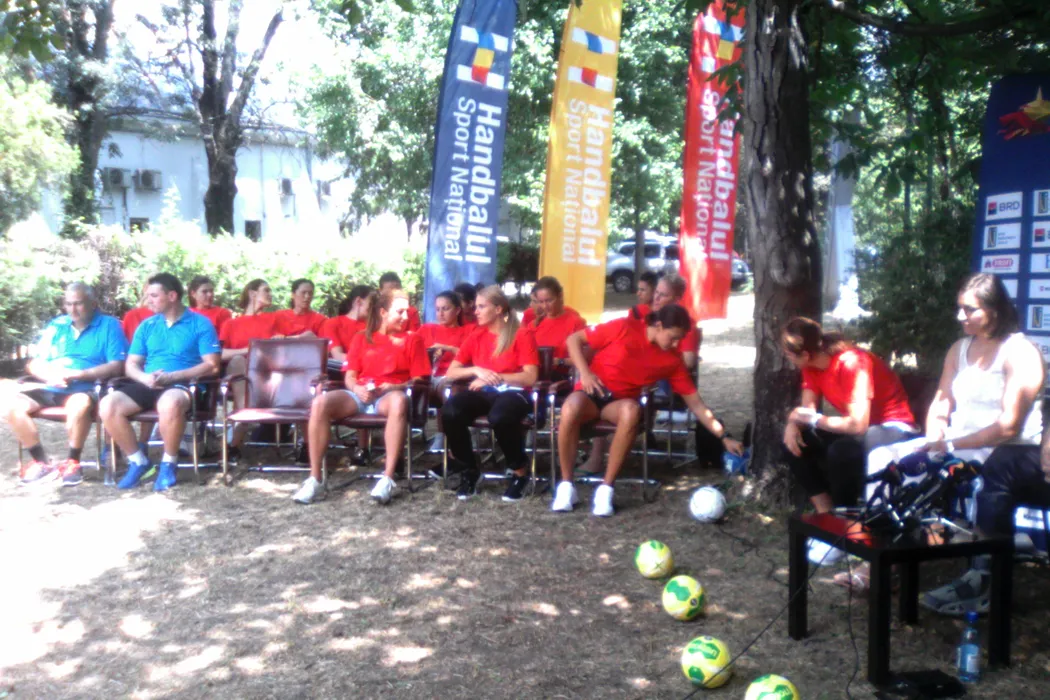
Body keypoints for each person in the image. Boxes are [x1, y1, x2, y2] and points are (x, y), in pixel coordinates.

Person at [869, 273, 1044, 611]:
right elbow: (942, 400)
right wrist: (935, 434)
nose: (960, 316)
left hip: (1002, 451)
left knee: (923, 470)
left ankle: (975, 574)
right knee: (882, 457)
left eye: (970, 309)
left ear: (994, 310)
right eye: (959, 308)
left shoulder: (1020, 352)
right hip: (956, 442)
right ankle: (880, 554)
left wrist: (949, 446)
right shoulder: (959, 348)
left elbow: (1008, 427)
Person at [553, 304, 743, 516]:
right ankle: (566, 486)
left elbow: (697, 405)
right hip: (591, 392)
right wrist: (585, 373)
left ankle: (606, 489)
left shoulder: (672, 361)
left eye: (679, 339)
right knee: (570, 407)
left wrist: (724, 437)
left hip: (618, 403)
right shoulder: (623, 327)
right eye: (673, 337)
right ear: (659, 326)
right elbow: (574, 340)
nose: (676, 344)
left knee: (632, 411)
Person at [779, 316, 920, 568]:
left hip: (894, 428)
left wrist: (810, 418)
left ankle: (845, 530)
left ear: (806, 354)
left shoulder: (853, 363)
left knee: (841, 451)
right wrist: (793, 424)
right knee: (795, 443)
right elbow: (806, 413)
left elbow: (857, 425)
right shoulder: (811, 366)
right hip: (863, 430)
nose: (785, 356)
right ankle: (827, 518)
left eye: (788, 352)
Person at [293, 290, 430, 505]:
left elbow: (419, 379)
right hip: (360, 394)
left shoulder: (413, 339)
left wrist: (395, 386)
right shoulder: (362, 337)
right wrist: (356, 388)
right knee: (319, 402)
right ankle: (315, 479)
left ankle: (388, 478)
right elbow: (350, 376)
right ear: (383, 312)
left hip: (388, 396)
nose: (406, 317)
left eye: (407, 312)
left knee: (399, 401)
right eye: (400, 312)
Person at [99, 273, 221, 491]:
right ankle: (138, 461)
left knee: (169, 402)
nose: (148, 301)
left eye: (154, 296)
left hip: (184, 384)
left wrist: (174, 376)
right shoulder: (147, 326)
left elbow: (212, 365)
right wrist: (144, 377)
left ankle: (168, 463)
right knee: (108, 405)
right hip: (149, 382)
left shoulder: (200, 324)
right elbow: (131, 364)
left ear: (172, 296)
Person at [2, 283, 127, 486]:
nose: (72, 310)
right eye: (68, 304)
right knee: (11, 406)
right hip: (52, 386)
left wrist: (79, 374)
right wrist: (48, 376)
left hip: (86, 388)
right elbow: (35, 363)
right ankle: (42, 463)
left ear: (93, 304)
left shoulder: (108, 325)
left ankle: (72, 462)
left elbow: (116, 366)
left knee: (77, 405)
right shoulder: (57, 326)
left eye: (78, 304)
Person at [442, 285, 540, 502]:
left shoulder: (521, 334)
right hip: (483, 391)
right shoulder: (476, 335)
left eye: (481, 307)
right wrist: (477, 370)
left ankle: (520, 471)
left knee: (500, 416)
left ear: (498, 309)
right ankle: (469, 470)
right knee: (450, 411)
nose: (475, 311)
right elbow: (451, 372)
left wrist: (496, 376)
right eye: (476, 306)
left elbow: (530, 377)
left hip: (515, 392)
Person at [219, 279, 279, 457]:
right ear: (252, 294)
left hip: (268, 373)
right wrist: (249, 349)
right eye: (266, 290)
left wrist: (284, 339)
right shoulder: (231, 324)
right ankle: (243, 414)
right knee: (238, 360)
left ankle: (235, 439)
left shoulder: (273, 319)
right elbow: (220, 354)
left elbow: (305, 335)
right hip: (239, 374)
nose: (270, 294)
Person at [529, 276, 586, 365]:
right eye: (541, 302)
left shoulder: (576, 322)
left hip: (564, 372)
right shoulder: (534, 325)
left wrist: (559, 361)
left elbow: (585, 358)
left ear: (560, 295)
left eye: (549, 300)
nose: (545, 306)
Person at [321, 285, 373, 364]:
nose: (374, 307)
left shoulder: (372, 326)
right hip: (341, 368)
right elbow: (338, 356)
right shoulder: (333, 323)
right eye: (372, 303)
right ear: (358, 301)